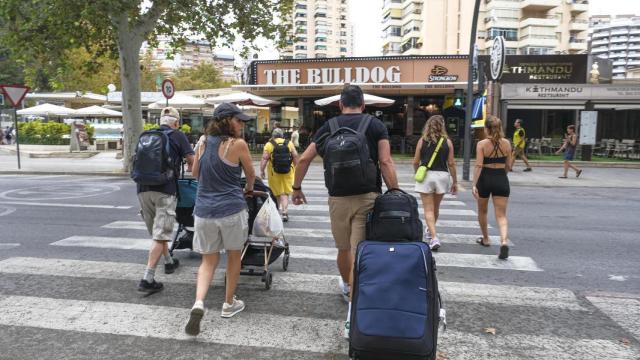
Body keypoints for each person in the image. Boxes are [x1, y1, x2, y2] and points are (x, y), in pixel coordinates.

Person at [291, 85, 399, 339]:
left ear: (340, 105)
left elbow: (304, 159)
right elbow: (385, 161)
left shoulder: (328, 127)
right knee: (359, 252)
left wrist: (296, 187)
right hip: (367, 197)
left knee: (343, 250)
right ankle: (353, 313)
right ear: (363, 104)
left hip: (337, 198)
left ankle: (348, 286)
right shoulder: (375, 125)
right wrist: (395, 192)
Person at [185, 103, 256, 336]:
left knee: (208, 261)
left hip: (204, 211)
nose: (242, 125)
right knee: (234, 256)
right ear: (227, 121)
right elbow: (251, 174)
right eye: (239, 120)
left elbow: (195, 174)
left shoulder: (202, 142)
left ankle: (198, 302)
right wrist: (248, 188)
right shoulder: (237, 145)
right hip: (231, 210)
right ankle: (228, 303)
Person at [137, 107, 195, 293]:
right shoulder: (178, 136)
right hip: (165, 189)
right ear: (176, 123)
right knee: (160, 235)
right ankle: (148, 278)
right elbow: (192, 160)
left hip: (142, 189)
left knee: (157, 233)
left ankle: (169, 262)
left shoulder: (147, 135)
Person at [412, 115, 457, 251]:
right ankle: (431, 232)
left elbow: (415, 161)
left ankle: (434, 237)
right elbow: (451, 163)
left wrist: (417, 173)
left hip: (427, 176)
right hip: (442, 176)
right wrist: (455, 181)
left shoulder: (422, 141)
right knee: (435, 208)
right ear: (442, 126)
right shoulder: (447, 142)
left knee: (428, 210)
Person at [472, 115, 512, 260]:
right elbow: (509, 166)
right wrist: (502, 175)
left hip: (485, 178)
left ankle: (486, 239)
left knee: (482, 211)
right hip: (501, 177)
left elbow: (478, 165)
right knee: (501, 215)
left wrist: (474, 184)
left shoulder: (482, 144)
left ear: (486, 129)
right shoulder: (507, 143)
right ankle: (504, 241)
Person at [260, 128, 299, 221]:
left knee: (276, 193)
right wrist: (297, 169)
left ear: (273, 135)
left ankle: (276, 212)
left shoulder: (269, 145)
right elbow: (295, 156)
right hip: (288, 171)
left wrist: (262, 170)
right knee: (285, 193)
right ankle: (285, 212)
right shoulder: (289, 143)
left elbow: (264, 159)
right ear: (282, 135)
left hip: (274, 173)